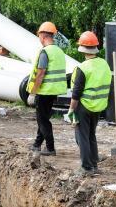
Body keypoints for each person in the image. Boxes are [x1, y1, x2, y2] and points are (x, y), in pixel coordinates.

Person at [67, 31, 111, 176]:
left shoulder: (83, 68)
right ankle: (94, 164)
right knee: (91, 135)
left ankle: (86, 167)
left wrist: (71, 110)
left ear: (82, 48)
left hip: (84, 106)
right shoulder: (104, 64)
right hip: (98, 106)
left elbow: (76, 93)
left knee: (82, 136)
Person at [27, 22, 68, 156]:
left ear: (43, 36)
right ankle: (37, 144)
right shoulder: (59, 51)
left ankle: (50, 148)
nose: (39, 38)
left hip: (44, 91)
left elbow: (40, 73)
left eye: (39, 35)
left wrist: (33, 93)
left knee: (43, 120)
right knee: (43, 118)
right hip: (54, 91)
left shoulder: (45, 52)